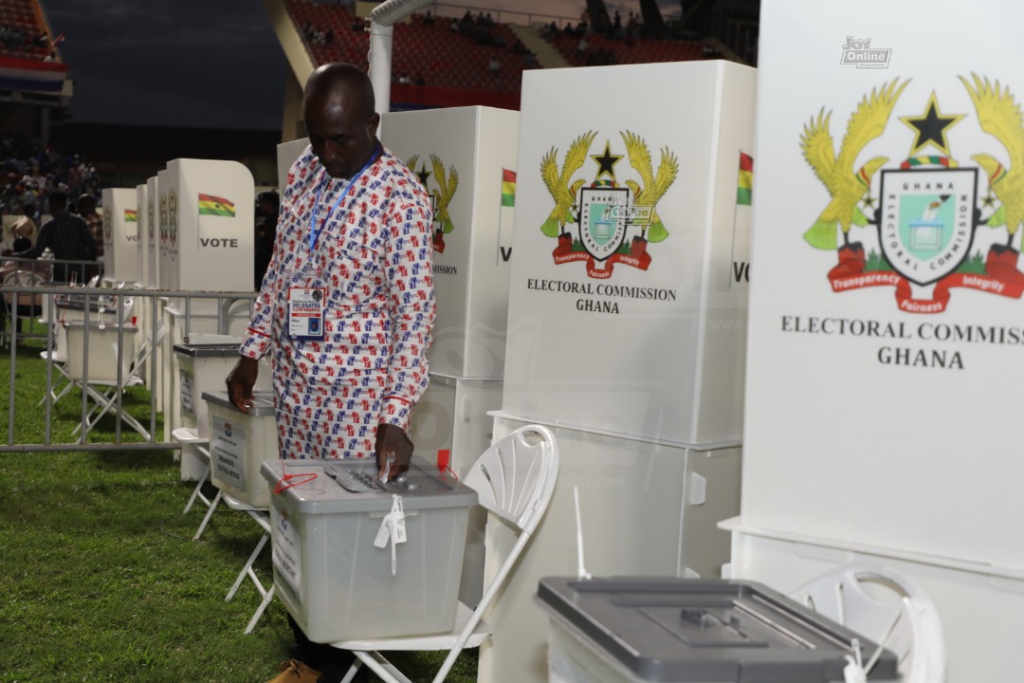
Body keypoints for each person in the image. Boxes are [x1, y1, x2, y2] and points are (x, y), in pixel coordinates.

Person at [225, 63, 435, 683]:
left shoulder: (402, 199)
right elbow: (282, 269)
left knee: (346, 539)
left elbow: (415, 314)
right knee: (297, 526)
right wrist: (252, 349)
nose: (327, 153)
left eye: (341, 139)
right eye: (317, 137)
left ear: (373, 125)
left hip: (358, 404)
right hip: (298, 394)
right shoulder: (304, 174)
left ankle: (349, 666)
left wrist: (395, 415)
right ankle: (310, 658)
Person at [11, 192, 96, 283]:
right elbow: (92, 245)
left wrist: (14, 256)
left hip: (62, 272)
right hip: (82, 270)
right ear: (65, 204)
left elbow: (36, 251)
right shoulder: (79, 221)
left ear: (50, 205)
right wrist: (89, 266)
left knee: (61, 296)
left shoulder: (48, 226)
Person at [253, 190, 279, 290]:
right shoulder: (275, 220)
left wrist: (255, 270)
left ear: (270, 205)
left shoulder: (268, 225)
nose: (260, 206)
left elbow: (263, 252)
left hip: (266, 267)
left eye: (263, 204)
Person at [76, 193, 103, 260]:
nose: (77, 210)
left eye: (79, 206)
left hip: (93, 262)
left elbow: (89, 245)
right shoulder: (103, 219)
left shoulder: (87, 222)